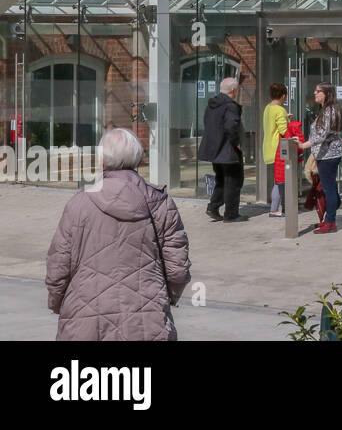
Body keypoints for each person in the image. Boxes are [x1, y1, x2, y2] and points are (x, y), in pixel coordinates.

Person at [45, 128, 191, 340]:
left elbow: (58, 267)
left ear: (101, 160)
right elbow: (178, 269)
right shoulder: (161, 203)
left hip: (85, 318)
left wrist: (58, 302)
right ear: (139, 160)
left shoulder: (78, 204)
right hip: (147, 319)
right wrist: (166, 298)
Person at [197, 77, 246, 222]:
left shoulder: (212, 104)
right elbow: (231, 126)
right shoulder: (230, 106)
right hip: (228, 149)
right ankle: (231, 214)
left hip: (214, 149)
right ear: (233, 90)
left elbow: (208, 123)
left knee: (221, 179)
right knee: (234, 180)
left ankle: (213, 207)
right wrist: (236, 143)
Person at [301, 83, 342, 233]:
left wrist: (303, 145)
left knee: (328, 188)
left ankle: (331, 222)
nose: (315, 93)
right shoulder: (328, 110)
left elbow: (321, 135)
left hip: (328, 155)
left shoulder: (329, 111)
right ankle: (329, 217)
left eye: (318, 91)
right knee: (329, 187)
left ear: (326, 93)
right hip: (327, 154)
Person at [270, 101, 305, 218]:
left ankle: (275, 209)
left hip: (278, 157)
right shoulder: (291, 131)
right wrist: (301, 156)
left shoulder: (268, 110)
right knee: (286, 185)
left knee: (279, 184)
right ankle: (285, 209)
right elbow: (299, 145)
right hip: (286, 161)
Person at [262, 83, 288, 213]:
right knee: (280, 182)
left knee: (278, 181)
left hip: (268, 148)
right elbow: (284, 131)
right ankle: (276, 210)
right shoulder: (280, 110)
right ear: (283, 96)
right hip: (278, 150)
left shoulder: (268, 108)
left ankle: (277, 209)